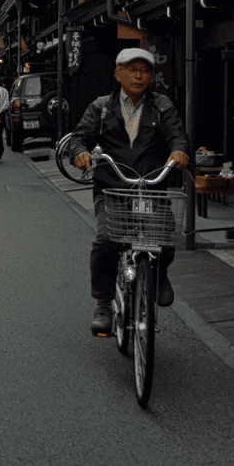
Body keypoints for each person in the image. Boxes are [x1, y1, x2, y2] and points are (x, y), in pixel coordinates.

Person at [69, 48, 189, 335]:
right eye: (131, 69)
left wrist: (179, 151)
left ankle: (158, 277)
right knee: (106, 241)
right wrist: (80, 152)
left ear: (151, 77)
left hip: (151, 189)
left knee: (165, 238)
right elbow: (79, 137)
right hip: (113, 189)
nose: (138, 75)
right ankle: (103, 303)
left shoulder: (162, 106)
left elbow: (177, 135)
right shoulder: (100, 107)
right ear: (117, 73)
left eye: (144, 70)